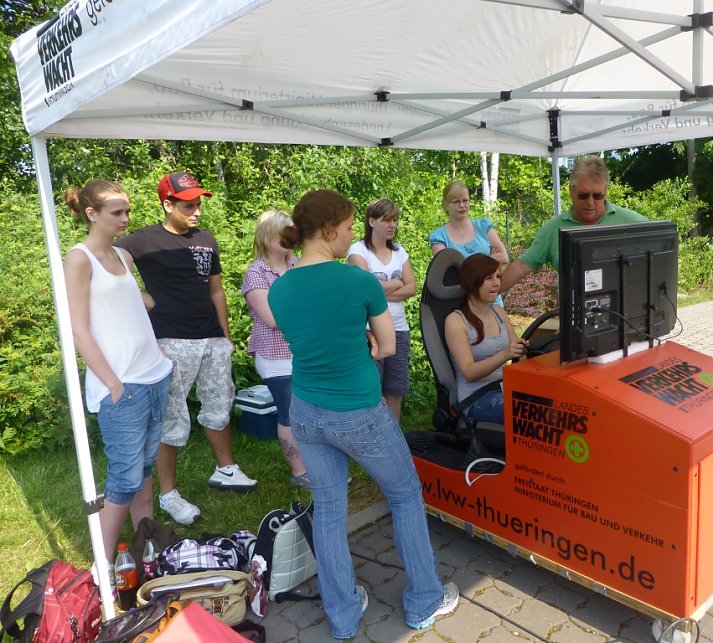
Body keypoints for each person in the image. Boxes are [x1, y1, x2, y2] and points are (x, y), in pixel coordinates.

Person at [268, 189, 458, 639]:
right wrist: (367, 344)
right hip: (358, 411)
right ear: (330, 230)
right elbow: (388, 346)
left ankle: (343, 615)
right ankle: (425, 600)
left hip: (307, 412)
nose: (353, 234)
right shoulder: (359, 281)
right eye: (351, 226)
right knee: (406, 495)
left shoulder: (280, 288)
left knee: (330, 509)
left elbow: (305, 339)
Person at [116, 171, 256, 526]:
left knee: (219, 403)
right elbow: (110, 272)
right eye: (188, 204)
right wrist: (139, 299)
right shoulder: (141, 240)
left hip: (211, 339)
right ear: (168, 204)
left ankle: (225, 469)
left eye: (198, 203)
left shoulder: (206, 239)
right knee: (172, 417)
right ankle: (168, 494)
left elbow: (216, 289)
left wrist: (224, 333)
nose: (196, 211)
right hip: (169, 341)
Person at [63, 180, 173, 579]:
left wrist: (159, 354)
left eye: (127, 211)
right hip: (122, 384)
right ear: (91, 214)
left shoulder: (123, 256)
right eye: (117, 212)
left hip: (154, 374)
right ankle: (103, 564)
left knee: (145, 467)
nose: (126, 219)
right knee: (125, 476)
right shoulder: (78, 259)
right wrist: (112, 383)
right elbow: (79, 331)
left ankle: (147, 546)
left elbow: (141, 305)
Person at [500, 155, 648, 292]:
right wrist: (481, 297)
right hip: (574, 316)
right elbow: (522, 266)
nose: (590, 202)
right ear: (571, 191)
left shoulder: (633, 222)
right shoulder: (554, 229)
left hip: (627, 315)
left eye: (597, 196)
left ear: (606, 191)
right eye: (583, 196)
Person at [242, 210, 309, 488]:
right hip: (276, 356)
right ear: (266, 236)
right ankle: (299, 472)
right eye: (281, 233)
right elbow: (271, 319)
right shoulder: (256, 273)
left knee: (311, 411)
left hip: (305, 352)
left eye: (290, 233)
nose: (287, 238)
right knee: (289, 412)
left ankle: (317, 465)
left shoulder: (300, 267)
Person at [346, 199, 415, 421]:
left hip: (399, 329)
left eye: (394, 220)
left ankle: (392, 437)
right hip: (368, 331)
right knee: (370, 389)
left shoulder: (399, 251)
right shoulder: (358, 250)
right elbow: (362, 289)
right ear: (371, 221)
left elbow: (412, 288)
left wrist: (378, 291)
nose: (392, 225)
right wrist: (397, 284)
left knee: (395, 389)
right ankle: (369, 437)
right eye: (386, 220)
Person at [445, 254, 528, 424]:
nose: (496, 283)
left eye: (498, 276)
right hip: (477, 398)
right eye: (488, 278)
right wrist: (505, 354)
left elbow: (517, 352)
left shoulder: (498, 311)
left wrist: (525, 351)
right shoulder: (455, 321)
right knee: (531, 411)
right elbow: (469, 372)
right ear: (472, 281)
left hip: (505, 387)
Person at [429, 181, 508, 264]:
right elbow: (446, 270)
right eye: (456, 202)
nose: (462, 205)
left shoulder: (483, 227)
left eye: (465, 200)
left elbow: (504, 257)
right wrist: (488, 259)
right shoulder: (439, 237)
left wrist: (464, 265)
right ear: (446, 205)